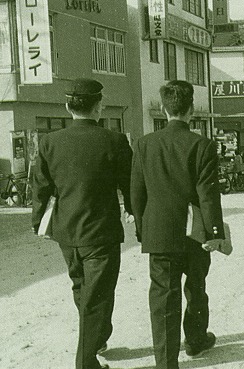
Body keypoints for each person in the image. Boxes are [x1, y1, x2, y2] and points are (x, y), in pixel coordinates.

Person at [32, 78, 133, 369]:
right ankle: (86, 360)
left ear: (67, 107)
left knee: (81, 286)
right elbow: (129, 183)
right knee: (99, 294)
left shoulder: (50, 142)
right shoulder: (114, 140)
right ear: (99, 107)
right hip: (101, 231)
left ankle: (97, 337)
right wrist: (134, 212)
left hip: (67, 232)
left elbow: (40, 186)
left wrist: (38, 220)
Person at [130, 80, 229, 369]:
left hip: (158, 232)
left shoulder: (144, 144)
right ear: (191, 110)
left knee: (163, 296)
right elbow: (208, 194)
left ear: (163, 109)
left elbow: (137, 193)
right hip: (195, 232)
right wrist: (215, 234)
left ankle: (165, 362)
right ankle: (196, 340)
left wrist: (141, 229)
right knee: (196, 286)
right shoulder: (202, 145)